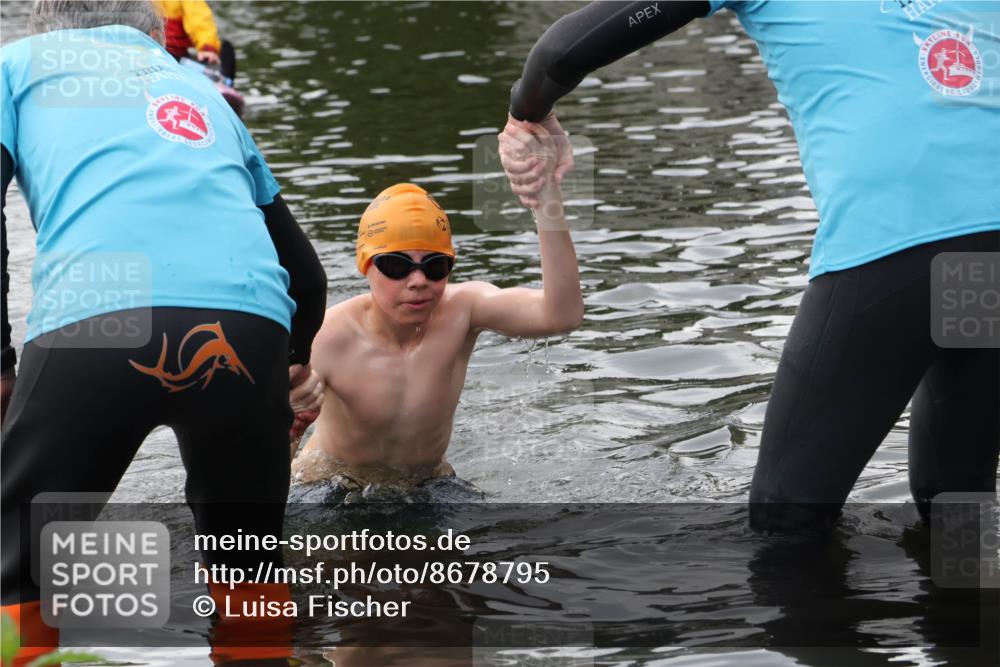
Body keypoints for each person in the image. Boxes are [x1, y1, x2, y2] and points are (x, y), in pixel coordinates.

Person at [502, 0, 1000, 531]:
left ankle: (813, 610)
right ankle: (961, 608)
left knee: (786, 519)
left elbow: (564, 50)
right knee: (956, 503)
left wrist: (525, 112)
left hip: (893, 247)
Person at [0, 1, 326, 663]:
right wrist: (290, 364)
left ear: (45, 25)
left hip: (98, 321)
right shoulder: (199, 89)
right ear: (150, 35)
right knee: (248, 568)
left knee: (17, 564)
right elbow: (306, 275)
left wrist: (1, 363)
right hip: (246, 327)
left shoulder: (13, 65)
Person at [291, 139, 584, 492]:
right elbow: (263, 438)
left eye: (435, 266)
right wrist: (290, 423)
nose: (418, 282)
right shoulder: (324, 336)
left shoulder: (464, 311)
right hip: (331, 488)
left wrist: (546, 200)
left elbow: (561, 315)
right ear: (366, 266)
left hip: (428, 486)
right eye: (397, 266)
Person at [154, 0, 236, 82]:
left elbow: (199, 19)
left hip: (175, 53)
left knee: (226, 50)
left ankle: (220, 82)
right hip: (149, 51)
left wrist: (207, 48)